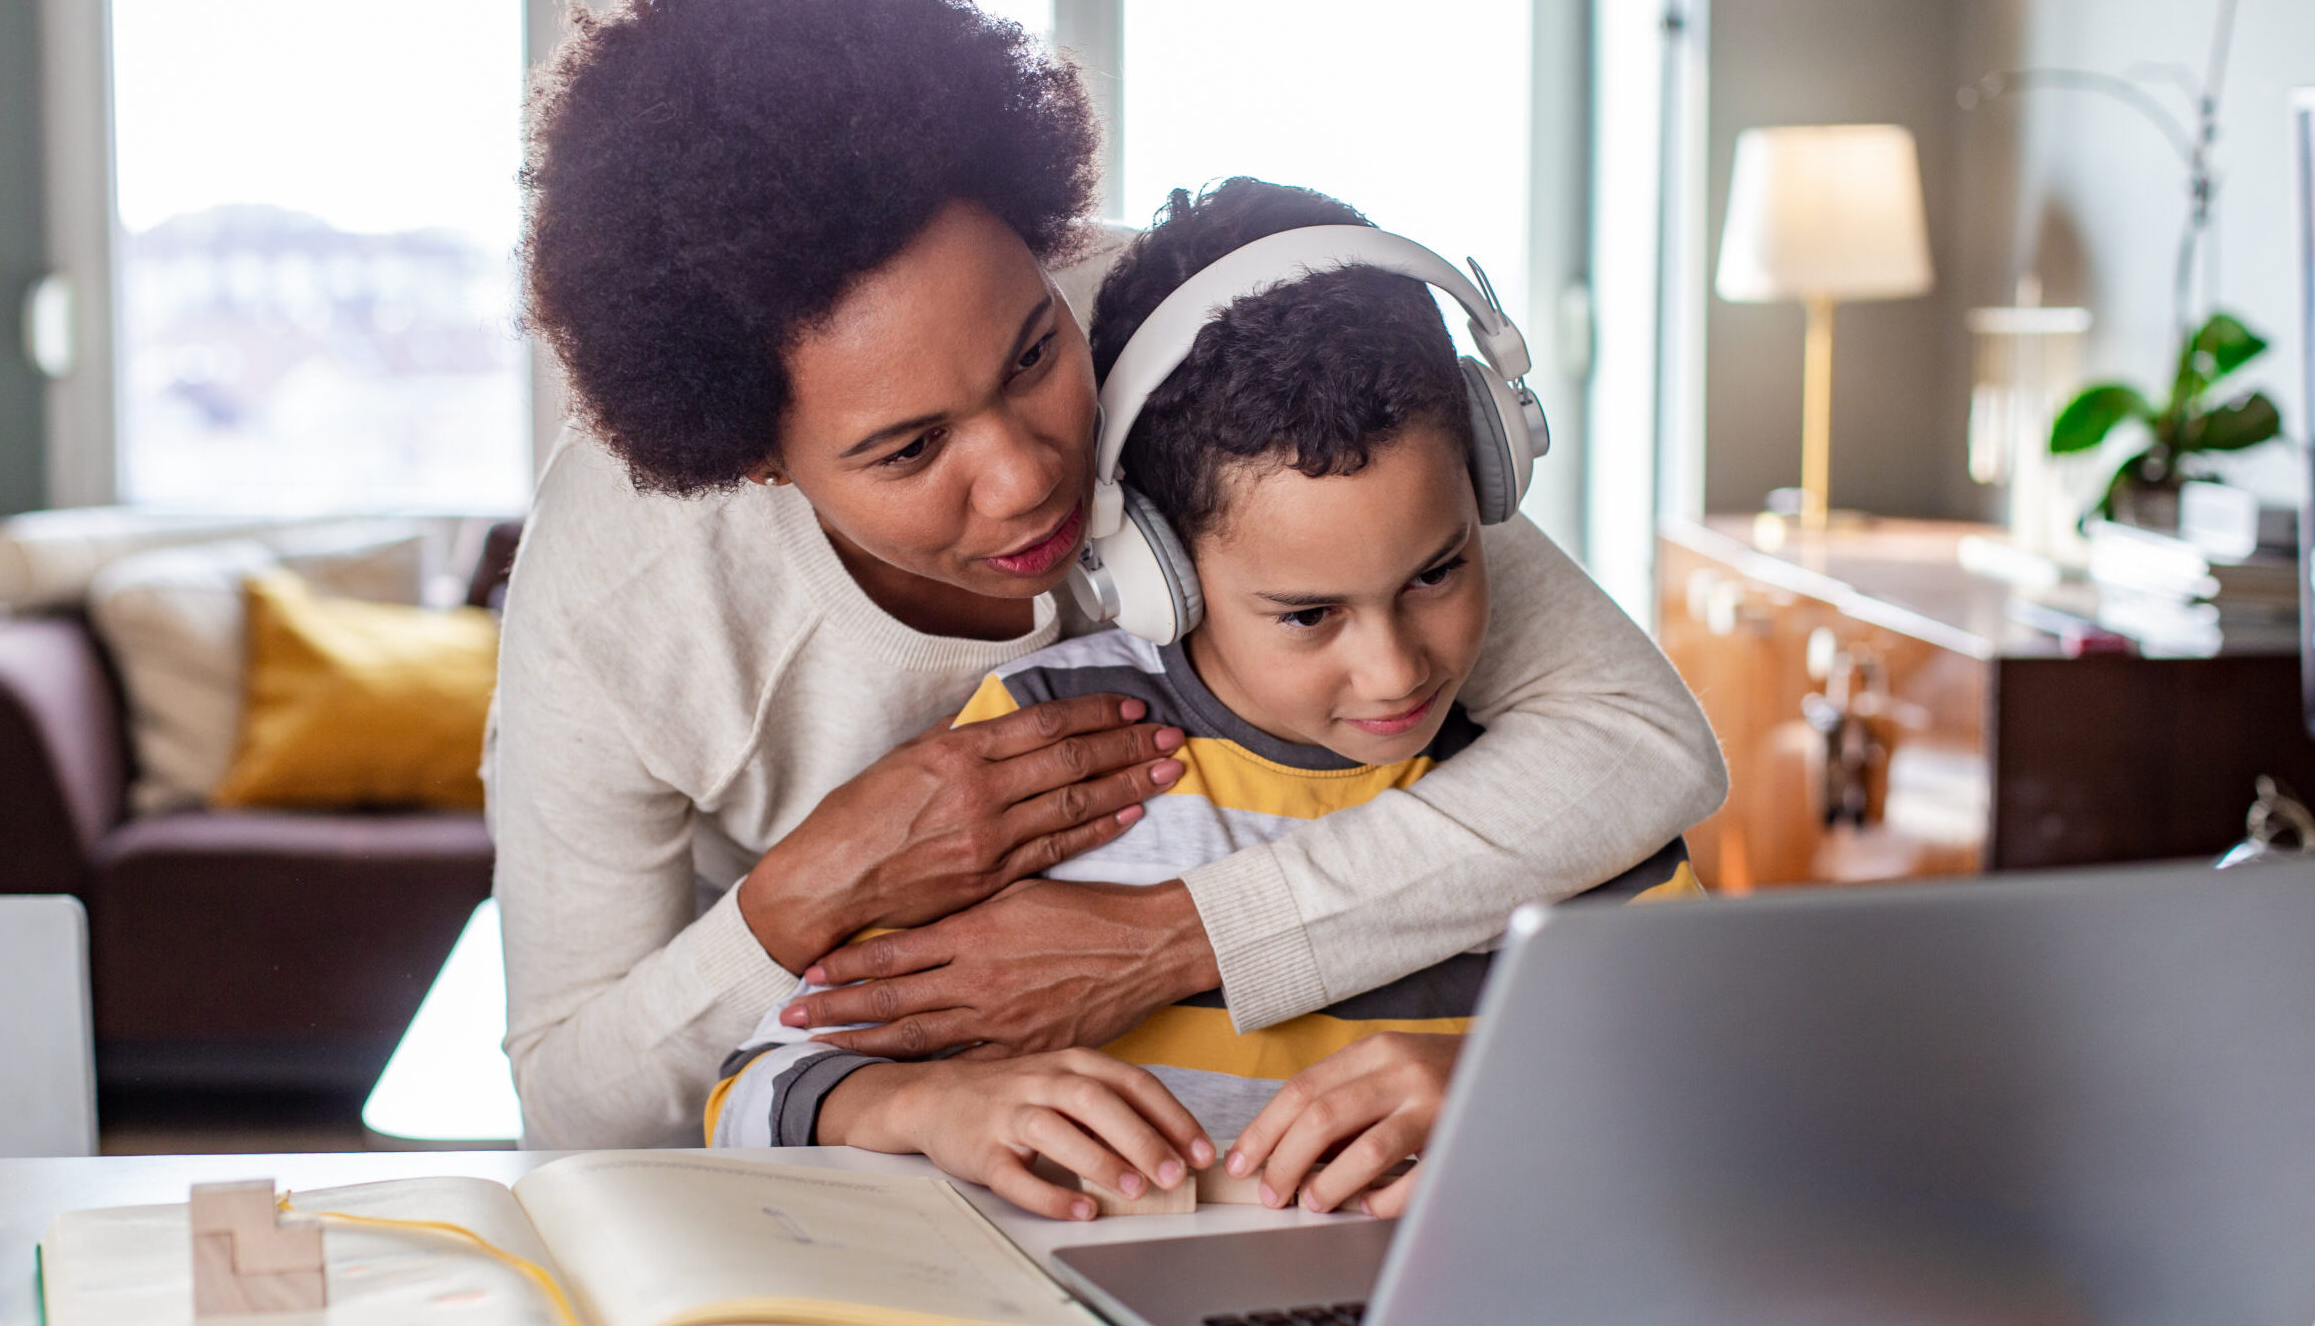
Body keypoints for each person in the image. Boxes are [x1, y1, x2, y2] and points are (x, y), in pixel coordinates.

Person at [497, 0, 1726, 1148]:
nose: (1030, 474)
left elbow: (1634, 745)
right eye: (912, 450)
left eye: (1033, 352)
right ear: (753, 459)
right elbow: (572, 1099)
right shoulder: (622, 603)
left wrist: (1177, 940)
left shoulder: (1192, 342)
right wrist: (799, 899)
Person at [705, 179, 1702, 1220]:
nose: (1396, 671)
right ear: (1152, 572)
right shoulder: (1034, 760)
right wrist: (923, 1103)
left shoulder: (1545, 792)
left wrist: (1507, 1090)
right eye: (1308, 615)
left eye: (1437, 571)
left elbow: (1730, 1093)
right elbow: (749, 1091)